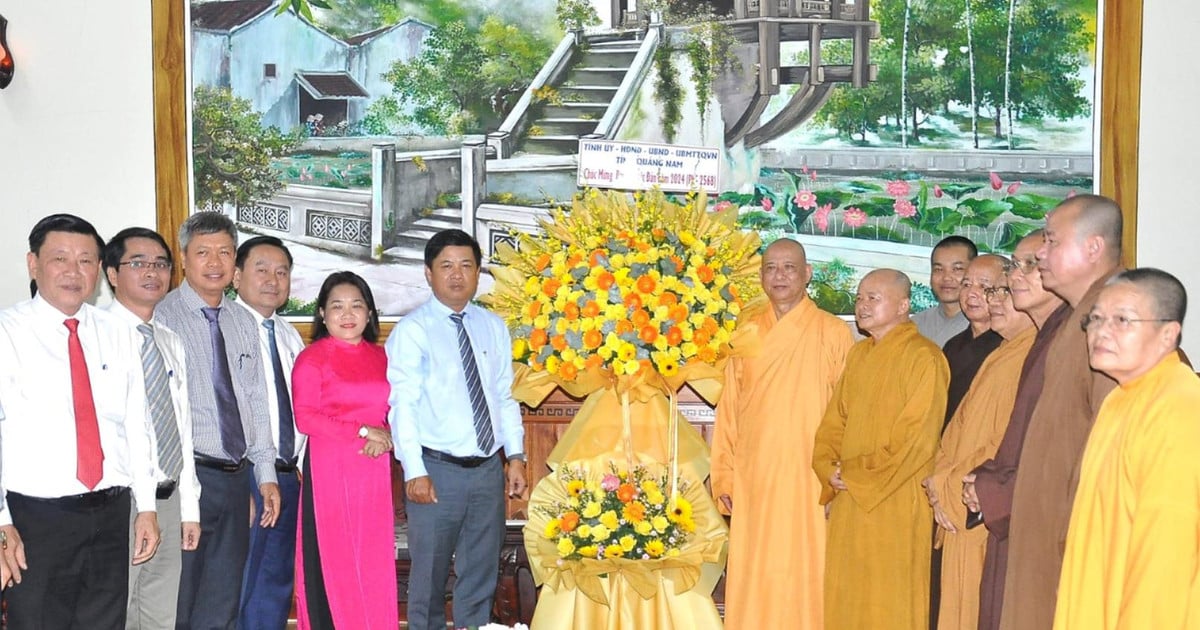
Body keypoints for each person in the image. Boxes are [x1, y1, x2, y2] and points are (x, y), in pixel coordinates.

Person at [0, 214, 160, 629]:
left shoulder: (118, 331)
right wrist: (1, 523)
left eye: (86, 260)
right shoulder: (7, 332)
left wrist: (145, 507)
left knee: (105, 622)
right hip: (35, 517)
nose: (74, 272)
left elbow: (137, 425)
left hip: (110, 510)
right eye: (60, 258)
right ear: (33, 264)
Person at [386, 229, 527, 630]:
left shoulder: (492, 326)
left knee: (480, 575)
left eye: (467, 265)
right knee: (428, 579)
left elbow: (503, 396)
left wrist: (515, 457)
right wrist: (414, 469)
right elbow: (403, 406)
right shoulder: (413, 330)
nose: (457, 274)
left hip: (486, 471)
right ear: (428, 273)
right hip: (436, 471)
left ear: (479, 273)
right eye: (446, 265)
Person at [711, 239, 853, 630]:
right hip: (755, 477)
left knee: (809, 567)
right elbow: (729, 411)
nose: (780, 276)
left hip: (811, 477)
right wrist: (724, 474)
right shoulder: (747, 332)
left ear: (807, 274)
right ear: (760, 278)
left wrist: (837, 475)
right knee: (757, 568)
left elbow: (847, 412)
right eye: (771, 268)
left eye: (789, 267)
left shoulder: (833, 331)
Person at [997, 195, 1123, 630]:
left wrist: (1077, 537)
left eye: (1051, 241)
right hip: (1048, 534)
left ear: (1093, 248)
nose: (1042, 254)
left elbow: (1112, 455)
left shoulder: (1115, 319)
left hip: (1077, 542)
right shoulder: (1077, 319)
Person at [1053, 268, 1199, 629]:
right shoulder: (1119, 400)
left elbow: (1166, 555)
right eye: (1097, 319)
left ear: (1168, 335)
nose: (1102, 331)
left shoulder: (1180, 407)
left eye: (1123, 320)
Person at [156, 212, 281, 630]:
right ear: (184, 258)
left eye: (224, 252)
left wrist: (265, 476)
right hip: (186, 477)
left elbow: (256, 404)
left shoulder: (242, 319)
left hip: (235, 477)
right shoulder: (162, 316)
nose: (215, 262)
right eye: (203, 252)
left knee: (224, 597)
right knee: (181, 596)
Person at [813, 268, 950, 630]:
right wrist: (829, 467)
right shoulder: (858, 356)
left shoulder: (926, 358)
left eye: (873, 298)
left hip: (896, 500)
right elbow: (833, 423)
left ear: (904, 305)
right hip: (850, 500)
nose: (862, 305)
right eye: (859, 298)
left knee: (890, 604)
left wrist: (853, 473)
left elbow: (917, 441)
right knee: (846, 598)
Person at [963, 231, 1066, 630]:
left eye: (1028, 265)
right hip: (1004, 501)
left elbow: (1064, 452)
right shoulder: (1036, 342)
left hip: (1036, 517)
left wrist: (988, 487)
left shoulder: (1065, 340)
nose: (1015, 277)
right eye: (1013, 264)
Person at [101, 227, 203, 630]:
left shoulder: (168, 339)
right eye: (138, 263)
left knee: (160, 614)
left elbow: (182, 426)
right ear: (111, 274)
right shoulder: (96, 335)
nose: (152, 272)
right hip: (120, 500)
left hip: (169, 497)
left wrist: (189, 510)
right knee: (117, 610)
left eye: (161, 264)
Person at [924, 267, 1036, 630]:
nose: (995, 300)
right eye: (994, 293)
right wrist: (940, 482)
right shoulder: (999, 353)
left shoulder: (1030, 355)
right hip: (955, 496)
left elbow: (1006, 441)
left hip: (978, 502)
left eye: (1003, 291)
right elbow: (954, 428)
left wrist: (954, 484)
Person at [293, 271, 398, 629]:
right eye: (337, 306)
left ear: (370, 313)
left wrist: (387, 435)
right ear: (322, 313)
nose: (347, 313)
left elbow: (399, 410)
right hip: (330, 471)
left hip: (373, 472)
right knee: (333, 563)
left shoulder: (383, 358)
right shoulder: (312, 358)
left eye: (357, 305)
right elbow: (306, 418)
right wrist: (364, 431)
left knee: (371, 562)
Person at [233, 236, 306, 630]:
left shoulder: (289, 334)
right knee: (240, 581)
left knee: (275, 582)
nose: (272, 280)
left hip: (286, 474)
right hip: (243, 476)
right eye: (261, 269)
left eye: (282, 272)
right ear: (237, 275)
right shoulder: (223, 328)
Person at [941, 254, 1007, 424]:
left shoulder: (1008, 346)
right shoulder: (953, 345)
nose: (971, 294)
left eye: (984, 286)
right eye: (966, 284)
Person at [913, 236, 978, 348]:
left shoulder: (984, 325)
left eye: (957, 269)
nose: (946, 278)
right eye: (938, 269)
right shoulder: (915, 325)